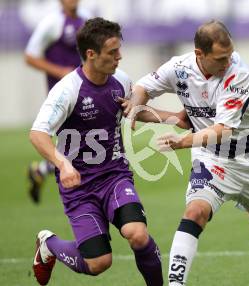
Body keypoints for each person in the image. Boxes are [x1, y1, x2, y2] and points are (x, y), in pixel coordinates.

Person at [127, 20, 249, 286]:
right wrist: (134, 107)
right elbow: (142, 88)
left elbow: (222, 130)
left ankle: (247, 202)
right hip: (211, 159)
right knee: (194, 213)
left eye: (230, 54)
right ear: (200, 54)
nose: (227, 62)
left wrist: (182, 141)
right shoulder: (179, 68)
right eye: (221, 57)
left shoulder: (239, 73)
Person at [30, 17, 164, 286]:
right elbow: (37, 134)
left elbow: (133, 110)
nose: (120, 57)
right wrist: (63, 164)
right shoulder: (67, 90)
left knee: (137, 234)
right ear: (91, 54)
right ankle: (49, 244)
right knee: (98, 263)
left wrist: (175, 117)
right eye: (113, 52)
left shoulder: (120, 81)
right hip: (79, 188)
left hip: (115, 176)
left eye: (119, 50)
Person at [25, 0, 90, 204]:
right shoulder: (52, 23)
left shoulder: (85, 19)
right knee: (81, 144)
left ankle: (41, 170)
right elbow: (30, 57)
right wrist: (60, 71)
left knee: (84, 143)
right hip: (62, 95)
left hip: (85, 90)